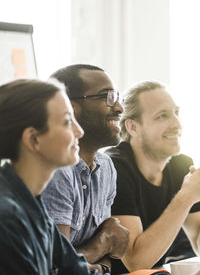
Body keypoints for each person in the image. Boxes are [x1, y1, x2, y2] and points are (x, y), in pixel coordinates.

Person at [0, 78, 107, 274]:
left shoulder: (30, 202)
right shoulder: (7, 217)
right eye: (67, 122)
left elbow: (75, 269)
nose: (80, 131)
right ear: (33, 139)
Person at [42, 64, 130, 273]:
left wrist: (97, 259)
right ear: (70, 108)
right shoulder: (58, 168)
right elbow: (54, 268)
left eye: (118, 97)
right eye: (107, 97)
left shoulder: (106, 166)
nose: (119, 108)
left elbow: (108, 261)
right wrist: (102, 242)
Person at [105, 80, 200, 273]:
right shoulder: (114, 168)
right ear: (132, 127)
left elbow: (197, 235)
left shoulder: (181, 164)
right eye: (162, 116)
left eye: (176, 113)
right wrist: (186, 197)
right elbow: (136, 262)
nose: (177, 124)